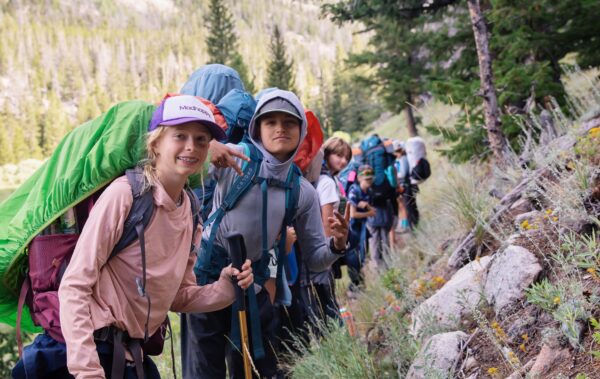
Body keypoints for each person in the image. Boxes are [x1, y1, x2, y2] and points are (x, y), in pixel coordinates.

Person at [55, 95, 254, 379]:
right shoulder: (125, 195)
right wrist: (87, 372)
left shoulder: (191, 210)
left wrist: (225, 288)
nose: (191, 146)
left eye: (201, 139)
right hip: (92, 353)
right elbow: (74, 285)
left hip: (132, 357)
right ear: (156, 143)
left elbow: (179, 297)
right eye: (180, 136)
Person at [181, 89, 349, 379]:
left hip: (253, 286)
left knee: (254, 371)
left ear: (301, 130)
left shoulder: (301, 191)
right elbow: (178, 166)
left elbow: (316, 259)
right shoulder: (238, 156)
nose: (280, 128)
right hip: (208, 280)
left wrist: (337, 244)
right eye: (271, 122)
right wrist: (209, 149)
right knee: (205, 372)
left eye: (289, 122)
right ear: (257, 128)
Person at [303, 136, 352, 322]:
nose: (343, 161)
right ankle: (335, 338)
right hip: (322, 248)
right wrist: (327, 253)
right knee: (328, 303)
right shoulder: (327, 182)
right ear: (327, 154)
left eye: (346, 157)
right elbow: (327, 221)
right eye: (339, 155)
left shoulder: (317, 179)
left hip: (310, 246)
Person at [346, 165, 376, 290]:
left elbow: (371, 209)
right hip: (353, 230)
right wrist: (369, 212)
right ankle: (355, 285)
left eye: (371, 179)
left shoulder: (368, 191)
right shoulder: (354, 191)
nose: (369, 182)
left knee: (362, 256)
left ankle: (360, 284)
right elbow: (353, 214)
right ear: (359, 178)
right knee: (353, 258)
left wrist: (367, 208)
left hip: (362, 228)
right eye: (366, 179)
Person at [392, 140, 410, 239]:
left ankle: (405, 224)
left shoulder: (403, 159)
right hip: (399, 185)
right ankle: (403, 224)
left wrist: (396, 176)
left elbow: (403, 173)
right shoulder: (398, 160)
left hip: (403, 185)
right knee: (401, 206)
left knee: (404, 205)